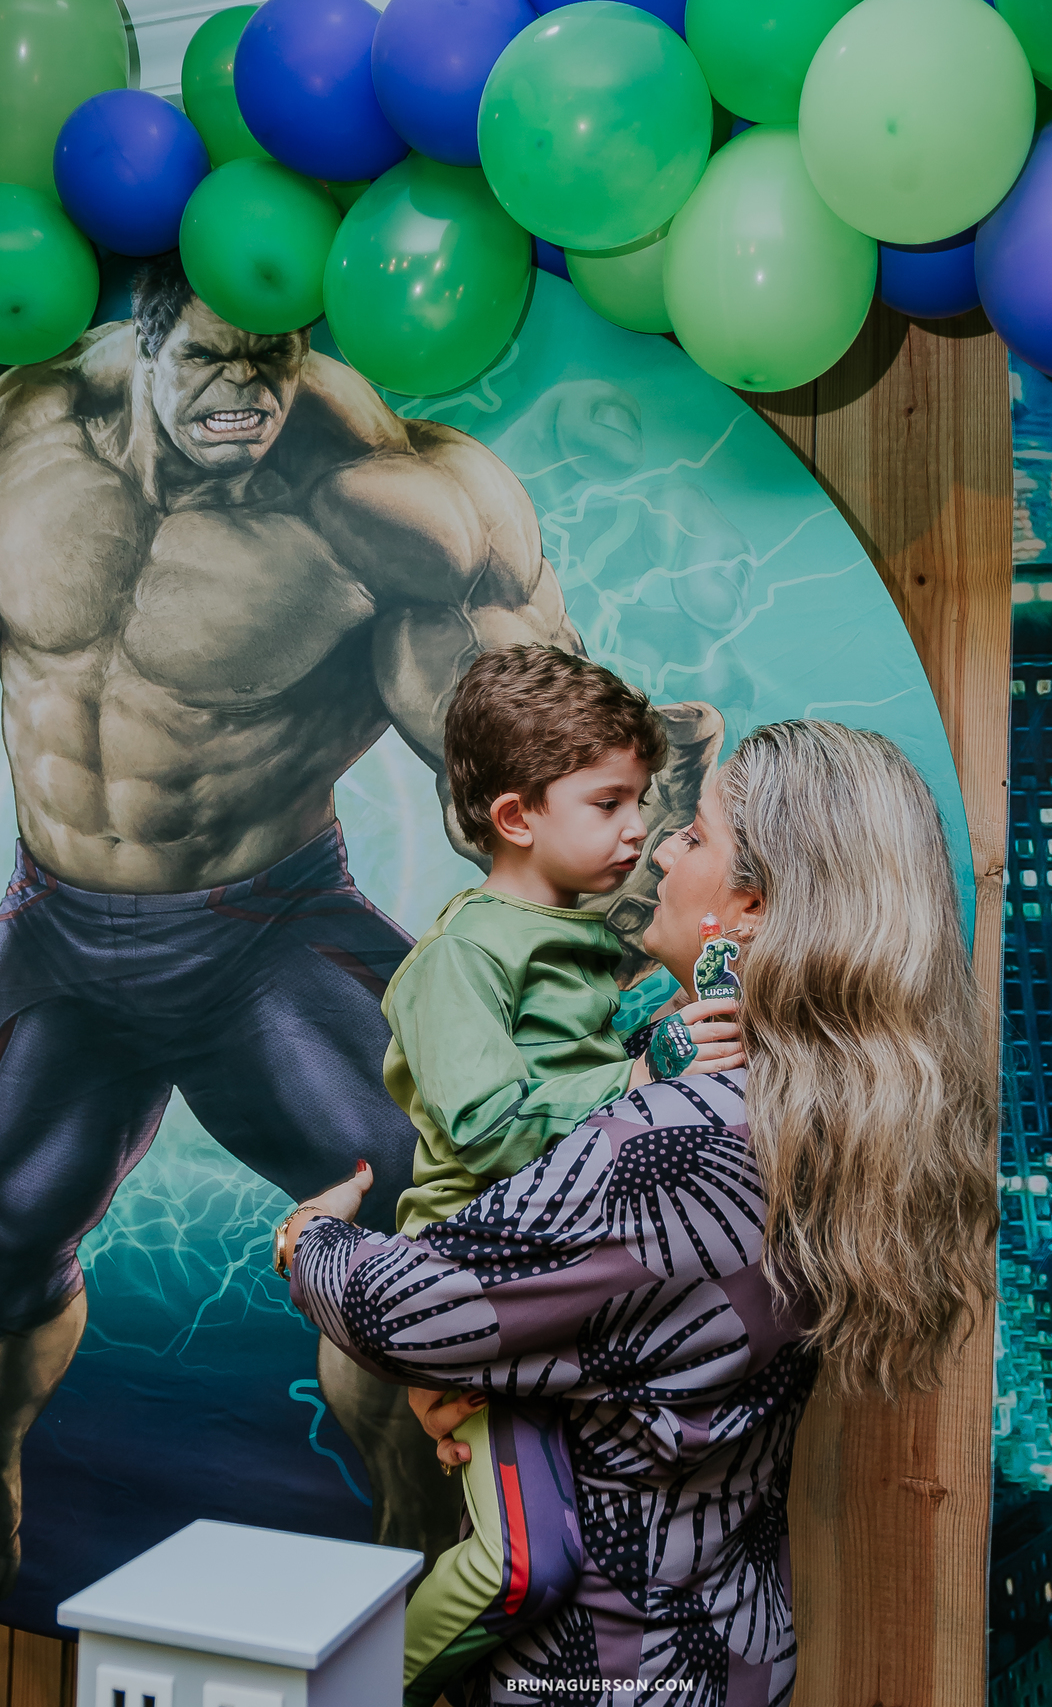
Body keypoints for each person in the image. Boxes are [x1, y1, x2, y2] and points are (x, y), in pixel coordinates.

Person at [0, 250, 722, 1592]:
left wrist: (646, 936)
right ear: (136, 335)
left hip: (262, 933)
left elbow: (538, 771)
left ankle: (432, 1593)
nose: (247, 394)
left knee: (438, 1249)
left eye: (272, 360)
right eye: (211, 359)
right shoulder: (24, 433)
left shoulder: (386, 506)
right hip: (58, 928)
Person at [279, 719, 999, 1704]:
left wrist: (308, 1235)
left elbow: (406, 1310)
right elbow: (643, 1339)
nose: (661, 847)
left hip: (604, 1675)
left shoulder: (688, 1140)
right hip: (732, 1648)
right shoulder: (831, 1114)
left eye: (694, 837)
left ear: (751, 906)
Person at [352, 645, 742, 1703]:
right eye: (610, 803)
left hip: (555, 1268)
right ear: (519, 817)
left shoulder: (574, 938)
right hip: (480, 1269)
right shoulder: (463, 959)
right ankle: (358, 1687)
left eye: (643, 804)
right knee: (522, 1560)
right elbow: (484, 1128)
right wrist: (642, 1072)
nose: (638, 832)